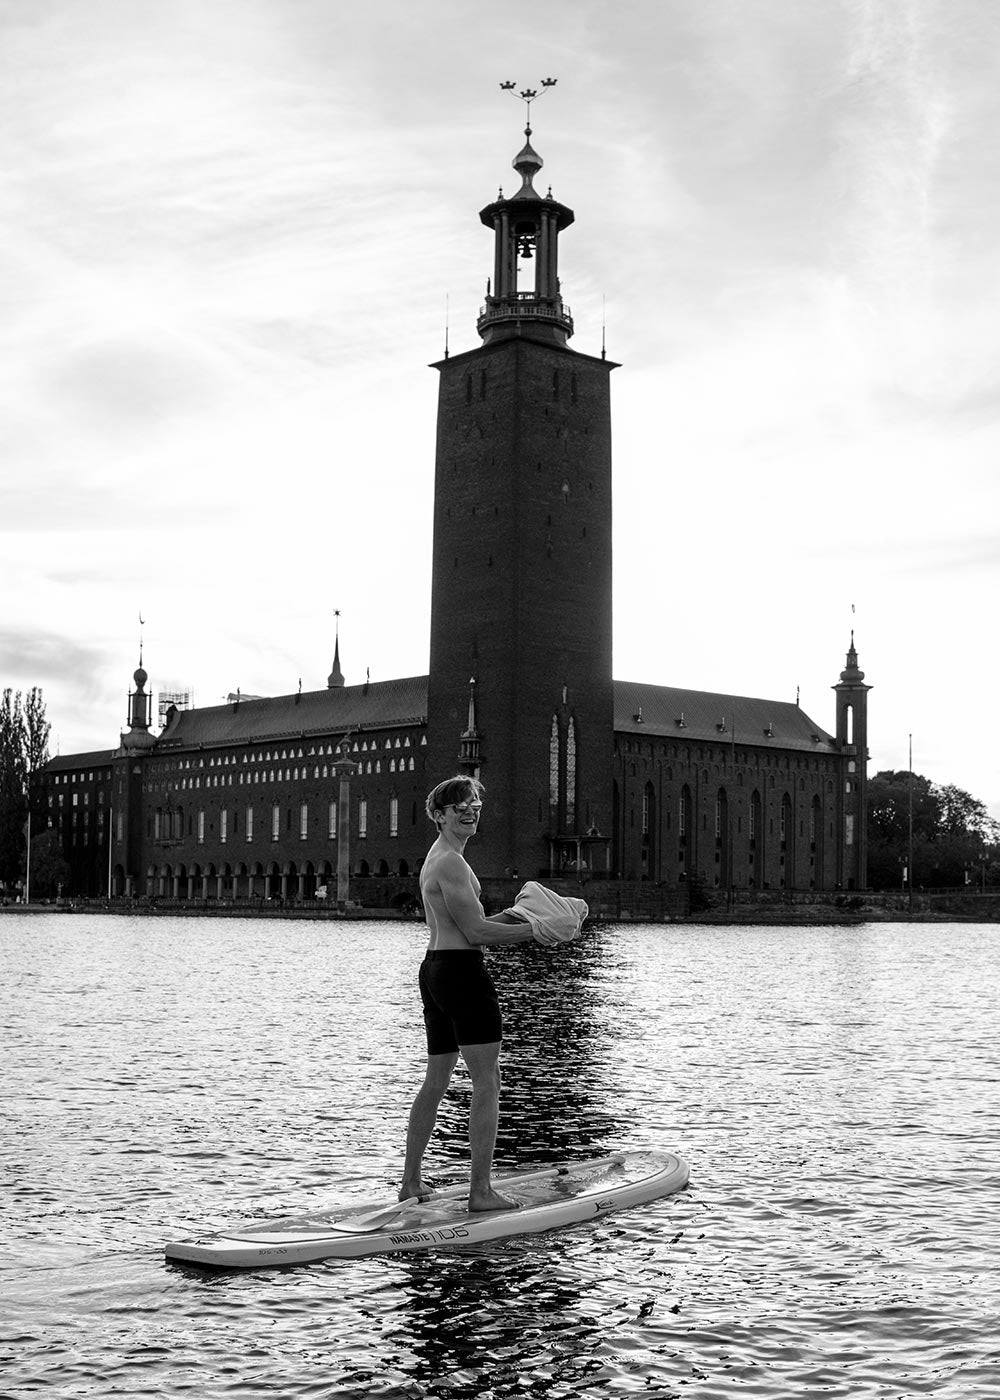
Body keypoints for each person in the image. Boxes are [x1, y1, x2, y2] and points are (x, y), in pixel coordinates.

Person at [399, 775, 539, 1212]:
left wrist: (518, 916)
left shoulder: (441, 859)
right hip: (460, 974)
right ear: (439, 816)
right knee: (488, 1082)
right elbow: (477, 932)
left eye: (475, 801)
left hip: (437, 969)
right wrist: (539, 932)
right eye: (459, 804)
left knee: (437, 1079)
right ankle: (481, 1192)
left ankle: (410, 1183)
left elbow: (469, 923)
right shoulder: (452, 863)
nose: (470, 808)